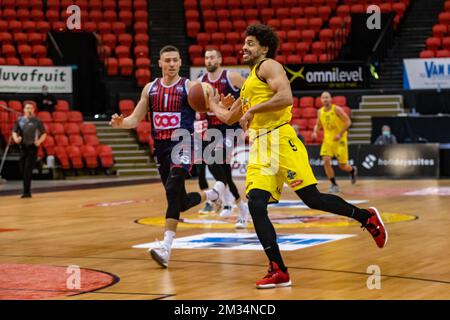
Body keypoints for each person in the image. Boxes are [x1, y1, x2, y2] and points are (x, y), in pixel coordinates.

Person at [208, 24, 388, 289]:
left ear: (264, 48)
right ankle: (278, 269)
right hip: (260, 146)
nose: (243, 48)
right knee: (256, 204)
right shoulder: (247, 85)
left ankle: (366, 217)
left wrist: (251, 110)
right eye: (243, 43)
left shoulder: (268, 66)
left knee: (312, 199)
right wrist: (210, 102)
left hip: (281, 139)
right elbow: (228, 117)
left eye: (250, 43)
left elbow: (285, 97)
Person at [110, 45, 225, 268]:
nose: (172, 64)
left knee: (172, 188)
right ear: (160, 63)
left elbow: (210, 103)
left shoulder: (191, 87)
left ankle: (165, 247)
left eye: (175, 60)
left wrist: (219, 104)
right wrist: (121, 123)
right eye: (167, 60)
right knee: (179, 202)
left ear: (181, 63)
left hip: (184, 142)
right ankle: (213, 194)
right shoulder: (150, 89)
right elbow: (135, 119)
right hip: (161, 148)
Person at [197, 48, 250, 229]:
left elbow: (250, 91)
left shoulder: (231, 76)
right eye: (206, 58)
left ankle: (219, 194)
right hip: (212, 128)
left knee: (214, 157)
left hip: (230, 128)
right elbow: (199, 106)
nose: (209, 60)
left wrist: (245, 113)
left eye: (212, 57)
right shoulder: (201, 83)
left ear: (219, 59)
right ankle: (241, 208)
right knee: (225, 173)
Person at [311, 92, 357, 193]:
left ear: (331, 99)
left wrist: (340, 134)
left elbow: (348, 121)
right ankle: (334, 184)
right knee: (326, 161)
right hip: (328, 140)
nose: (325, 100)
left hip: (339, 140)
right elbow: (318, 124)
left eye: (327, 97)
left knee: (342, 165)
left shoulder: (336, 109)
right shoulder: (320, 111)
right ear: (321, 100)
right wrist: (315, 132)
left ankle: (352, 170)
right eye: (323, 98)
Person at [12, 103, 47, 198]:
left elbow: (44, 133)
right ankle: (26, 189)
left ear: (34, 110)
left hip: (32, 148)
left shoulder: (37, 121)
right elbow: (14, 132)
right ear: (24, 110)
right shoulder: (19, 120)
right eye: (27, 108)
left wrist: (39, 141)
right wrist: (16, 139)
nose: (29, 109)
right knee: (22, 169)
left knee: (27, 169)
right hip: (22, 147)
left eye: (31, 108)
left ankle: (26, 192)